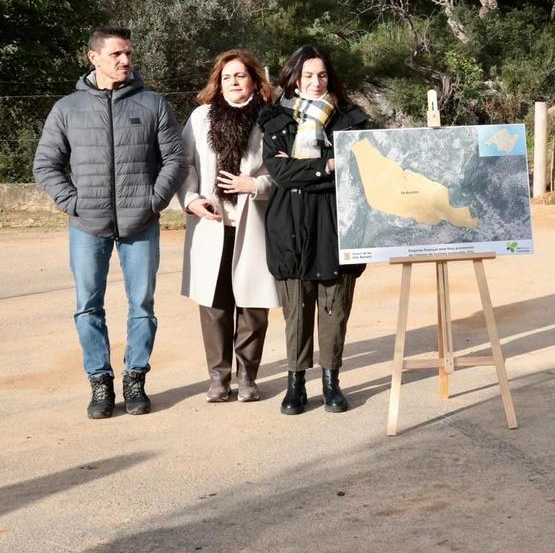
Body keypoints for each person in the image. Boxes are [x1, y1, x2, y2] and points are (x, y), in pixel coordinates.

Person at [33, 26, 186, 418]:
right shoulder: (67, 108)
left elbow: (175, 160)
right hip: (87, 225)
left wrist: (154, 201)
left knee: (142, 304)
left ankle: (136, 377)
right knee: (87, 305)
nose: (125, 60)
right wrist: (74, 203)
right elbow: (45, 165)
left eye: (129, 53)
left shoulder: (153, 104)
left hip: (142, 222)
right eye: (117, 53)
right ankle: (100, 381)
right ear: (93, 57)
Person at [259, 44, 371, 415]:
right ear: (293, 77)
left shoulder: (351, 119)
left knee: (335, 306)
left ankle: (331, 382)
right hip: (289, 223)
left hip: (338, 222)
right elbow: (278, 173)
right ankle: (296, 384)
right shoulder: (274, 119)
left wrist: (302, 169)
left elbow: (359, 170)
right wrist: (329, 166)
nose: (315, 82)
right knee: (296, 309)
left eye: (321, 74)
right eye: (307, 75)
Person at [178, 50, 280, 402]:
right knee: (214, 302)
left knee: (254, 303)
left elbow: (281, 170)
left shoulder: (271, 118)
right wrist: (191, 199)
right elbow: (185, 164)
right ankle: (218, 378)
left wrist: (255, 185)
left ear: (254, 79)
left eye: (240, 75)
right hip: (212, 222)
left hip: (256, 222)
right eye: (226, 77)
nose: (233, 82)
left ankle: (248, 377)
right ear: (217, 83)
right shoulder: (200, 118)